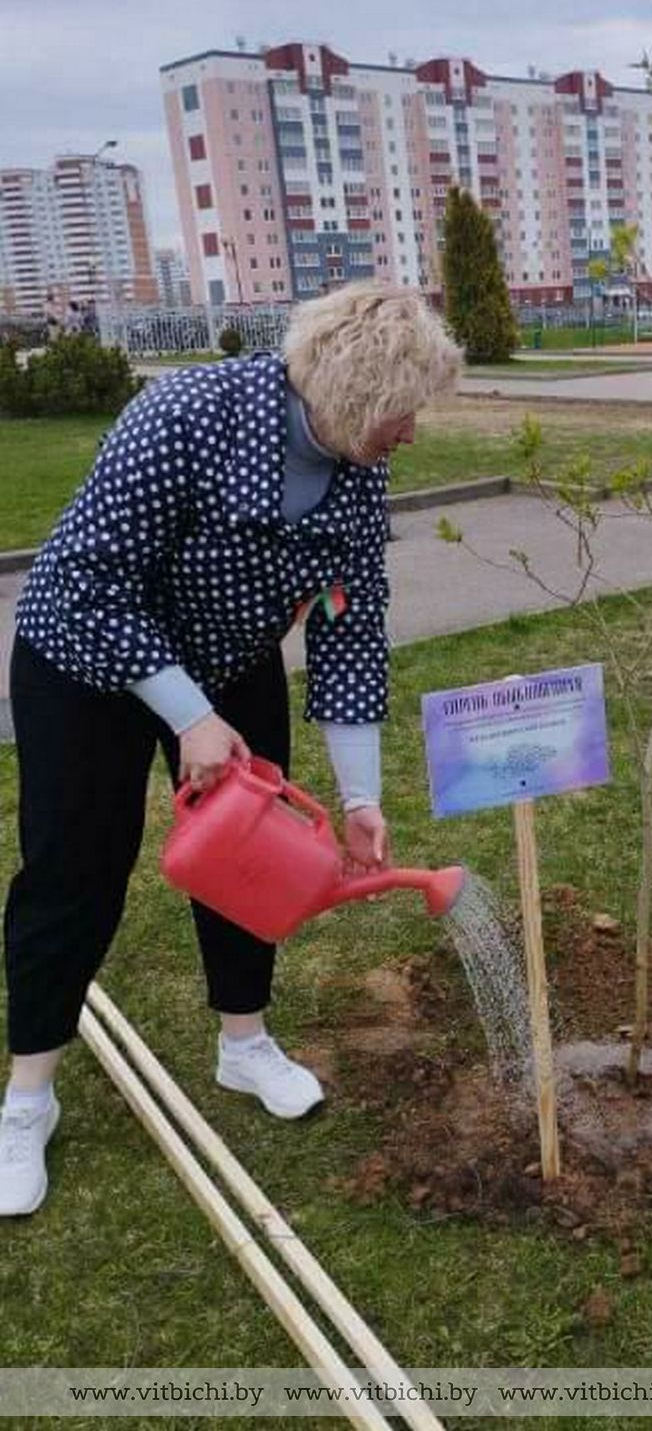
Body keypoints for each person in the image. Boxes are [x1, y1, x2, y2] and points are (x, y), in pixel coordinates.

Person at [0, 280, 463, 1216]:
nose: (410, 433)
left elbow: (350, 627)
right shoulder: (183, 416)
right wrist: (186, 715)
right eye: (403, 411)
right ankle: (27, 1099)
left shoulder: (358, 468)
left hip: (228, 657)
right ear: (354, 392)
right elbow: (90, 583)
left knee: (257, 855)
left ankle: (243, 1042)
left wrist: (362, 797)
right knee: (74, 872)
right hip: (85, 660)